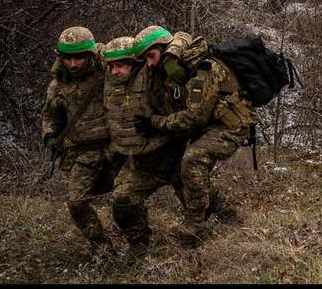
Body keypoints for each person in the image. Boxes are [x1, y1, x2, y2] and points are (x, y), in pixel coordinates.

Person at [133, 26, 255, 248]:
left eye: (150, 56)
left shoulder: (202, 69)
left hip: (231, 127)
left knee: (193, 159)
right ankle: (227, 213)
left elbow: (193, 118)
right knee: (180, 168)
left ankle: (195, 224)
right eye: (145, 59)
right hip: (210, 125)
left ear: (164, 49)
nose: (149, 63)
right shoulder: (173, 69)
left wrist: (155, 121)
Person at [101, 36, 186, 258]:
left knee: (200, 201)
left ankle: (230, 226)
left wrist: (172, 56)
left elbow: (181, 38)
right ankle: (139, 245)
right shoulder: (108, 81)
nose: (115, 71)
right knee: (122, 202)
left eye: (121, 65)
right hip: (139, 161)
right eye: (111, 66)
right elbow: (84, 53)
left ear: (135, 63)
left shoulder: (153, 75)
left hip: (170, 153)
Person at [41, 26, 118, 256]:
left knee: (126, 198)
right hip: (83, 153)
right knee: (76, 203)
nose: (73, 64)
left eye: (79, 58)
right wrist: (50, 136)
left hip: (117, 147)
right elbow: (50, 115)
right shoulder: (58, 86)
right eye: (68, 58)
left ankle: (139, 243)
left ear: (91, 55)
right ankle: (102, 248)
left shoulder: (110, 71)